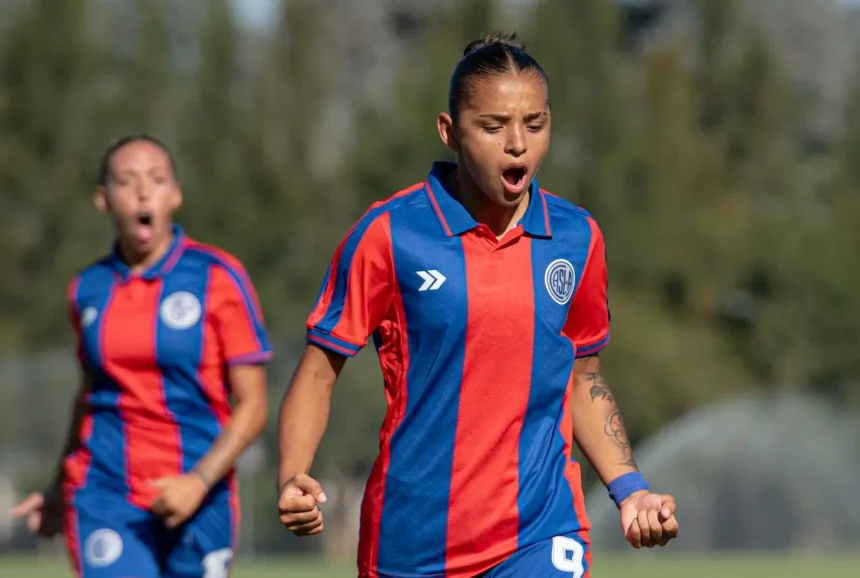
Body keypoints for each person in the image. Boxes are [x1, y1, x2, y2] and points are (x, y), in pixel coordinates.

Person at [277, 32, 679, 577]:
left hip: (541, 529)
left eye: (535, 125)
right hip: (413, 539)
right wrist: (292, 474)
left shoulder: (577, 237)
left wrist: (630, 490)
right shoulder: (390, 233)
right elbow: (320, 371)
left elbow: (582, 376)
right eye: (493, 127)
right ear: (449, 131)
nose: (517, 144)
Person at [10, 134, 271, 578]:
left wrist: (200, 481)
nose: (143, 191)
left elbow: (253, 404)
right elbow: (89, 394)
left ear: (176, 194)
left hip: (198, 493)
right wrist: (57, 486)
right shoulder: (87, 289)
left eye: (156, 179)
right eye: (127, 182)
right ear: (103, 199)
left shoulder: (218, 277)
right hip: (105, 491)